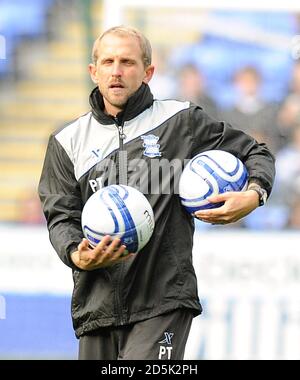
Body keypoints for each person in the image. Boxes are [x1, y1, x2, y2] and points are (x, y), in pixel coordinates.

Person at [38, 26, 275, 360]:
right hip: (97, 305)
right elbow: (61, 215)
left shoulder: (180, 121)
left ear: (148, 71)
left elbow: (256, 152)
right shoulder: (67, 142)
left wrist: (254, 194)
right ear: (94, 71)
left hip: (163, 300)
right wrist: (77, 254)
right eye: (107, 62)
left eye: (127, 62)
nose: (116, 71)